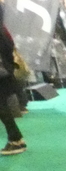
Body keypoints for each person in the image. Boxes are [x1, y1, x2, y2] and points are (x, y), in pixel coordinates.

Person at [0, 20, 26, 154]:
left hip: (3, 72)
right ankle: (16, 139)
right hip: (6, 71)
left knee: (1, 107)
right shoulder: (3, 30)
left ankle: (16, 140)